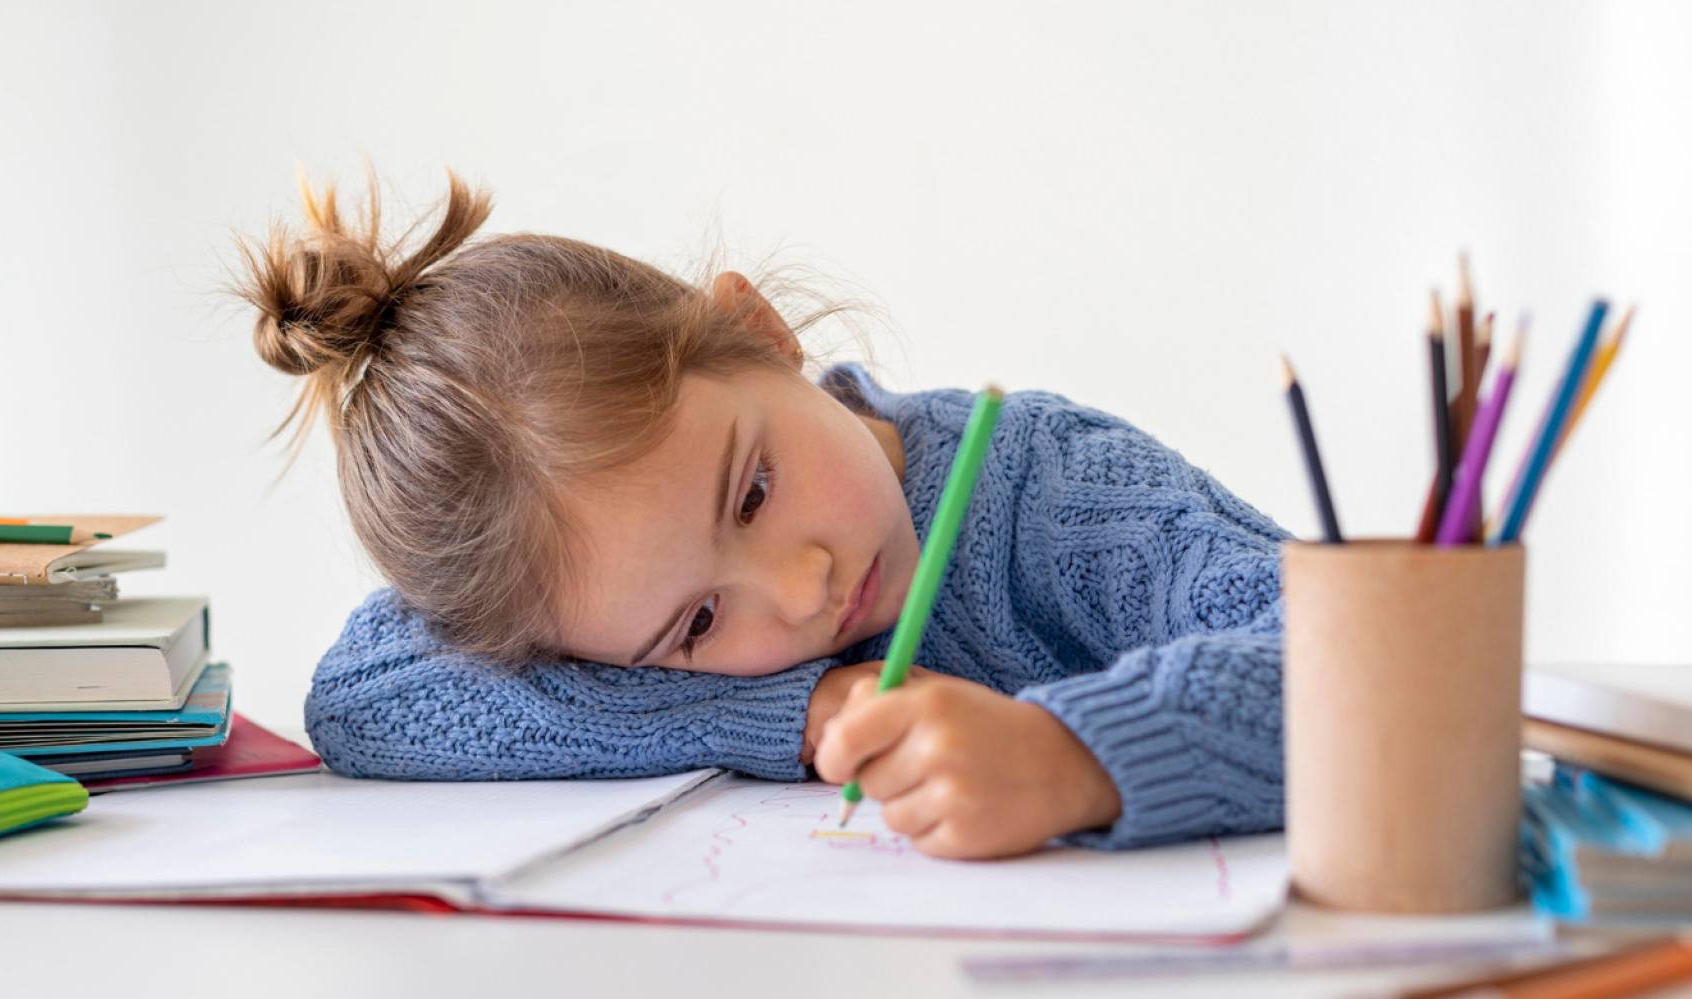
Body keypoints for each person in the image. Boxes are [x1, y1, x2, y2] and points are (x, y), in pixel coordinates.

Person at [236, 173, 1289, 860]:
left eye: (753, 492)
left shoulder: (1057, 489)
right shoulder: (632, 614)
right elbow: (368, 699)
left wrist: (1073, 758)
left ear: (763, 332)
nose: (801, 589)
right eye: (697, 624)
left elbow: (1359, 668)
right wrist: (800, 708)